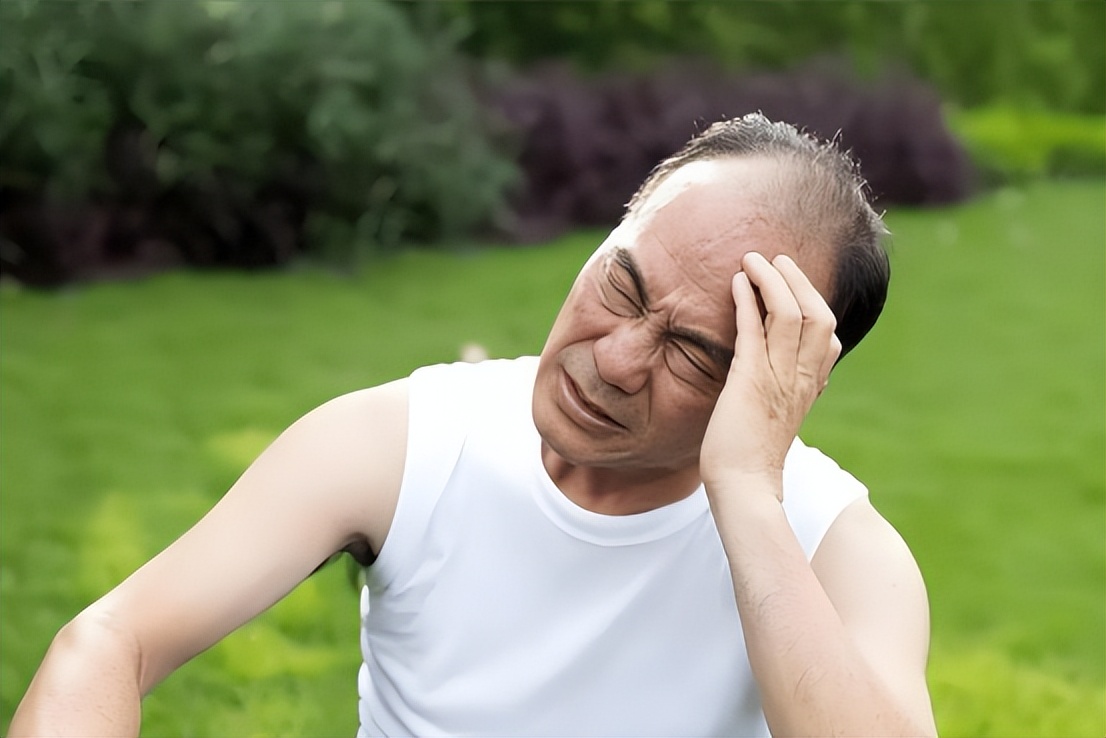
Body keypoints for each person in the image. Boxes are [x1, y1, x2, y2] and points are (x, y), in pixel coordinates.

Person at [11, 113, 936, 737]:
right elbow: (110, 643)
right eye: (623, 282)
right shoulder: (407, 442)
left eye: (694, 352)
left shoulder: (837, 547)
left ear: (786, 381)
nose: (614, 358)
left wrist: (746, 495)